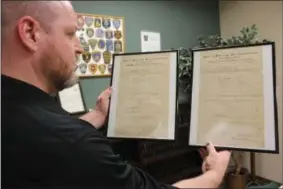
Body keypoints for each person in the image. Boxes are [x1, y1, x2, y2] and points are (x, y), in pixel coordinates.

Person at [1, 1, 231, 189]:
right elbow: (64, 139)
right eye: (70, 34)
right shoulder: (75, 142)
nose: (80, 47)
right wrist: (214, 175)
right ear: (30, 33)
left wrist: (95, 115)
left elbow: (49, 139)